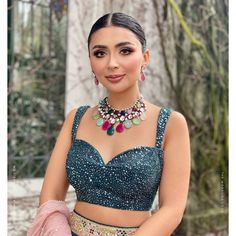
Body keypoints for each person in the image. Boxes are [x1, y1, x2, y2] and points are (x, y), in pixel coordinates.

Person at [28, 12, 191, 236]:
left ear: (145, 57)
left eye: (125, 51)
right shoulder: (77, 119)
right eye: (100, 53)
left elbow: (172, 209)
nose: (112, 63)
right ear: (91, 60)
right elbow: (51, 195)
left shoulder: (170, 124)